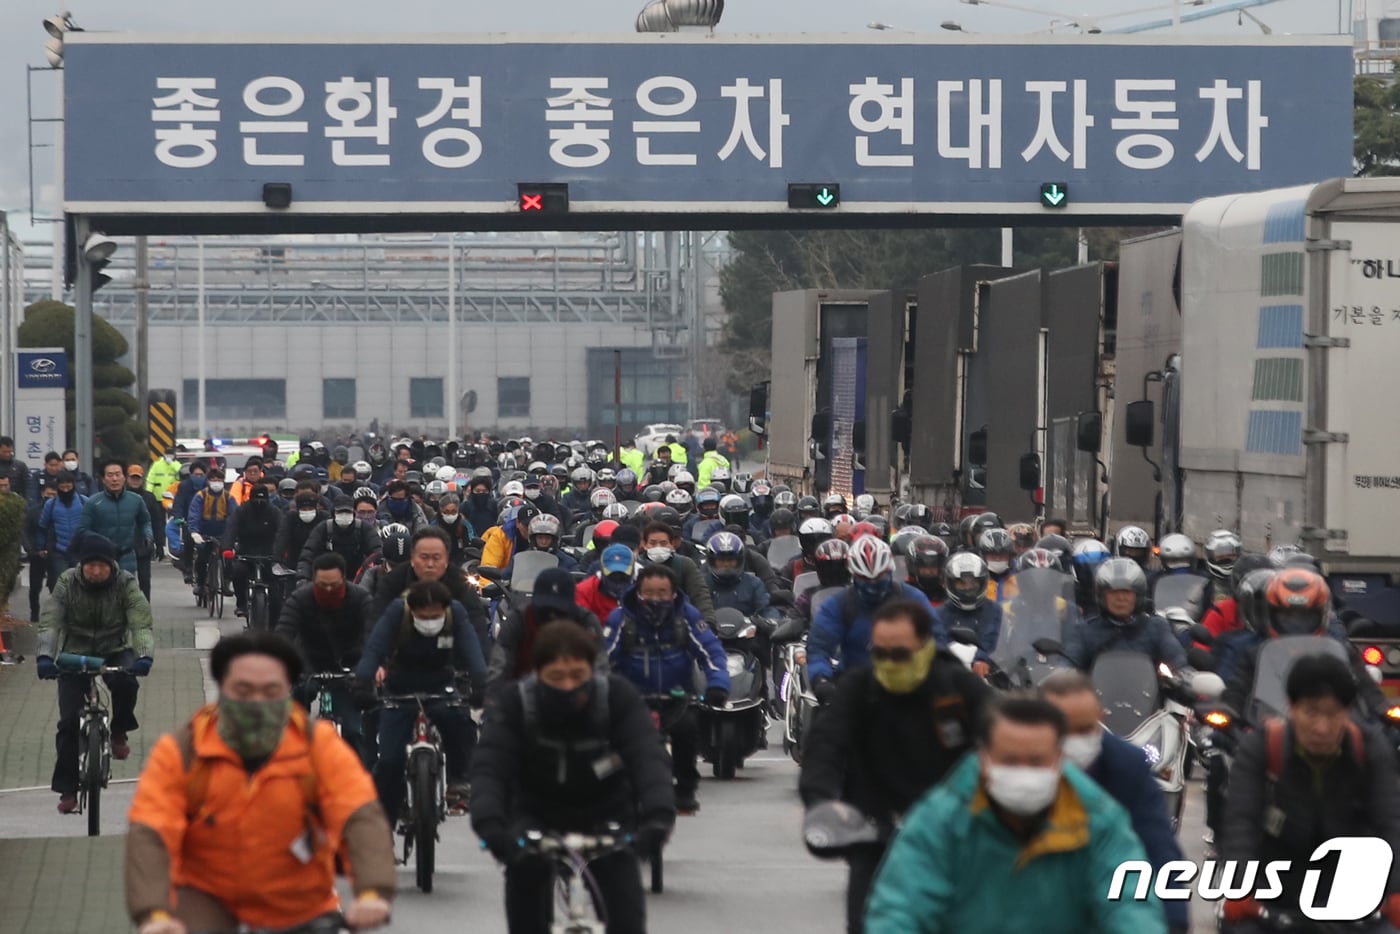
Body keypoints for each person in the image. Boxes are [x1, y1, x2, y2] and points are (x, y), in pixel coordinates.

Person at [125, 631, 394, 934]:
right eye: (243, 690)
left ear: (289, 692)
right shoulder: (182, 751)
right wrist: (154, 913)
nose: (256, 701)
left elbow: (359, 815)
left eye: (270, 691)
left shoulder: (318, 746)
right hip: (207, 899)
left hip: (298, 903)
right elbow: (151, 830)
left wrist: (373, 891)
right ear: (222, 690)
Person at [863, 694, 1166, 934]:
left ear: (1059, 759)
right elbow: (900, 909)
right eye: (1010, 761)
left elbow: (1131, 905)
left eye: (1035, 762)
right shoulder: (939, 821)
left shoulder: (1100, 821)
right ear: (984, 757)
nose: (1023, 772)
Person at [800, 599, 992, 934]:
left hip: (952, 835)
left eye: (900, 654)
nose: (889, 663)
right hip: (875, 830)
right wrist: (821, 801)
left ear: (925, 647)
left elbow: (1005, 742)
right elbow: (826, 744)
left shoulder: (959, 688)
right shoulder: (859, 688)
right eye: (881, 654)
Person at [472, 621, 674, 934]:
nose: (568, 686)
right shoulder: (516, 703)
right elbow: (490, 767)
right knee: (525, 910)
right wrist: (491, 826)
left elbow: (647, 755)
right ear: (537, 674)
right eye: (556, 677)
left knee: (628, 922)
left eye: (577, 676)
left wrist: (658, 817)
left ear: (592, 671)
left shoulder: (617, 697)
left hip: (607, 814)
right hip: (535, 815)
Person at [1218, 653, 1400, 931]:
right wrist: (1241, 885)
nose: (1321, 727)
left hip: (1352, 895)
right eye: (1311, 712)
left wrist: (1395, 890)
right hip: (1276, 894)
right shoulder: (1263, 748)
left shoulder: (1370, 750)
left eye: (1333, 714)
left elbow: (1391, 824)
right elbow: (1241, 821)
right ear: (1291, 708)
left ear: (1348, 712)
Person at [1041, 670, 1189, 934]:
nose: (1073, 740)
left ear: (1101, 719)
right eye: (1063, 730)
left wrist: (1173, 921)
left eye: (1084, 729)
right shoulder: (1010, 768)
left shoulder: (1127, 766)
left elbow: (1159, 850)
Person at [35, 534, 153, 813]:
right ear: (82, 565)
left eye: (103, 565)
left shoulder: (126, 583)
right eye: (91, 566)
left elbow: (141, 623)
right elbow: (50, 621)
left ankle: (119, 730)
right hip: (74, 652)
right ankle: (67, 788)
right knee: (67, 723)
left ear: (112, 565)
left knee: (126, 684)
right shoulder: (66, 582)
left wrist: (144, 655)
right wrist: (44, 656)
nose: (97, 571)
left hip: (115, 647)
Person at [355, 579, 486, 821]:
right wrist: (363, 681)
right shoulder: (397, 611)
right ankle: (386, 820)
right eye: (423, 617)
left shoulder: (454, 613)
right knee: (389, 761)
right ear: (412, 611)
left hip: (441, 686)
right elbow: (375, 648)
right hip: (399, 689)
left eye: (434, 616)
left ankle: (458, 782)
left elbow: (473, 651)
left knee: (460, 723)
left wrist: (481, 683)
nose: (429, 622)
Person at [605, 564, 729, 813]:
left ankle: (685, 789)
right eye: (649, 592)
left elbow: (711, 651)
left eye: (662, 592)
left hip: (677, 697)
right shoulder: (621, 618)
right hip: (633, 699)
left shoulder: (688, 616)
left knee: (687, 732)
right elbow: (602, 655)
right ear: (638, 591)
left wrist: (718, 684)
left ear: (673, 593)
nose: (655, 598)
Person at [807, 537, 935, 703]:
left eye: (879, 578)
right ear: (853, 575)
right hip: (855, 692)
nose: (873, 584)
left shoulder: (913, 598)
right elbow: (819, 648)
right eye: (866, 579)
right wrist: (821, 680)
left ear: (889, 571)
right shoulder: (838, 604)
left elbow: (935, 637)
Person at [274, 552, 376, 758]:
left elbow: (374, 633)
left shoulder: (361, 598)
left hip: (350, 665)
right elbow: (283, 633)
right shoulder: (300, 598)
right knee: (292, 721)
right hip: (310, 662)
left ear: (345, 580)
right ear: (313, 581)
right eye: (322, 585)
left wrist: (370, 666)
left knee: (353, 731)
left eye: (334, 585)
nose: (328, 590)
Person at [1060, 558, 1190, 675]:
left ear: (1138, 595)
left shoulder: (1156, 628)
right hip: (1096, 700)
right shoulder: (1085, 631)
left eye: (1127, 592)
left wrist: (1188, 677)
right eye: (1114, 592)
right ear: (1101, 596)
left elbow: (1177, 660)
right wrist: (1061, 676)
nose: (1121, 598)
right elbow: (1068, 663)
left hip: (1150, 699)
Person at [487, 567, 607, 688]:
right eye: (546, 608)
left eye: (560, 609)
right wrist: (494, 700)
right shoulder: (519, 620)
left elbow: (600, 667)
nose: (552, 615)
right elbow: (500, 665)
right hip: (521, 695)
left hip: (576, 695)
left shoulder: (586, 621)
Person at [80, 459, 154, 577]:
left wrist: (148, 535)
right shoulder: (93, 502)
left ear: (124, 477)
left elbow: (145, 521)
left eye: (118, 474)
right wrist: (104, 543)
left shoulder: (136, 500)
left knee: (126, 593)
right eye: (110, 475)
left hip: (128, 557)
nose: (114, 479)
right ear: (103, 479)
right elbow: (83, 530)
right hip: (101, 559)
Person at [639, 520, 716, 626]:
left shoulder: (685, 564)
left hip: (680, 622)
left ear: (671, 544)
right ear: (644, 544)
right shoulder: (636, 566)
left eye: (663, 543)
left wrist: (708, 621)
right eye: (653, 543)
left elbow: (699, 594)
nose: (658, 547)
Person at [223, 484, 283, 619]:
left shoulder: (274, 512)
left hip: (269, 553)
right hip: (246, 551)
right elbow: (231, 529)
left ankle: (275, 614)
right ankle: (241, 604)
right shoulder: (241, 511)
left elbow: (282, 533)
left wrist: (282, 551)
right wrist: (227, 548)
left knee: (276, 582)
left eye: (262, 499)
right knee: (238, 572)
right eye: (256, 499)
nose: (259, 502)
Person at [297, 496, 377, 581]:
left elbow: (376, 551)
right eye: (340, 512)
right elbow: (308, 553)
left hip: (357, 578)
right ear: (333, 513)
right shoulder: (323, 528)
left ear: (353, 513)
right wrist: (302, 577)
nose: (344, 515)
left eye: (348, 512)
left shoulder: (363, 528)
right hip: (327, 578)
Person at [186, 466, 236, 596]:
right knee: (202, 559)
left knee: (229, 559)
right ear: (208, 481)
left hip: (223, 533)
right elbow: (194, 514)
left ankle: (226, 583)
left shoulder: (228, 497)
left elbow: (234, 516)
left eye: (219, 480)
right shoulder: (200, 496)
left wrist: (233, 534)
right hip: (204, 533)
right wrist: (194, 532)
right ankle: (201, 584)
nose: (217, 482)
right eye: (214, 480)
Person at [127, 462, 167, 602]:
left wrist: (160, 544)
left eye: (137, 478)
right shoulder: (121, 496)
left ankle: (145, 608)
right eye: (133, 478)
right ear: (127, 478)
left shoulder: (149, 498)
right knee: (125, 581)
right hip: (125, 546)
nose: (135, 481)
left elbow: (157, 521)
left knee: (144, 580)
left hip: (144, 545)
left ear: (142, 479)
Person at [576, 543, 637, 625]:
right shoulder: (584, 591)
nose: (618, 579)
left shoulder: (642, 589)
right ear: (602, 570)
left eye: (623, 576)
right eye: (613, 575)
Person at [24, 478, 56, 622]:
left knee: (55, 586)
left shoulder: (60, 511)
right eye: (49, 494)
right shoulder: (33, 511)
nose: (51, 497)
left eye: (54, 495)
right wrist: (32, 551)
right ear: (43, 493)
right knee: (35, 587)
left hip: (55, 554)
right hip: (37, 554)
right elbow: (26, 532)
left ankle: (55, 615)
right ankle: (34, 614)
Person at [432, 492, 476, 565]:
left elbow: (472, 541)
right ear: (441, 510)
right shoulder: (433, 527)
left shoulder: (464, 524)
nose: (450, 515)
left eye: (453, 512)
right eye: (446, 512)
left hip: (461, 563)